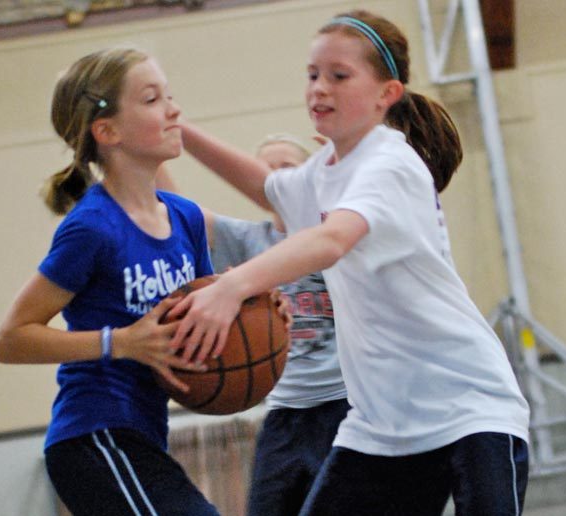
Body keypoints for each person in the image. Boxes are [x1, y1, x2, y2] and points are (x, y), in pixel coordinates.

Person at [166, 10, 530, 515]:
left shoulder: (390, 164)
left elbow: (333, 238)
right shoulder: (326, 169)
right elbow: (267, 188)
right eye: (313, 74)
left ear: (386, 94)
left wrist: (232, 286)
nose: (320, 88)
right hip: (382, 426)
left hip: (468, 406)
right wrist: (179, 130)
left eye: (339, 76)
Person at [0, 47, 220, 516]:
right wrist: (120, 342)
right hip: (93, 437)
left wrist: (261, 304)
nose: (174, 110)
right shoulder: (92, 227)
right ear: (108, 131)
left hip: (143, 434)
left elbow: (206, 308)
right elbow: (11, 339)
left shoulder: (186, 217)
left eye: (170, 96)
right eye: (152, 99)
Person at [165, 133, 349, 516]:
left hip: (344, 406)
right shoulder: (248, 239)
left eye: (287, 167)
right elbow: (177, 209)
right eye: (266, 167)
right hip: (283, 413)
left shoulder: (337, 234)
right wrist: (150, 147)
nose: (275, 176)